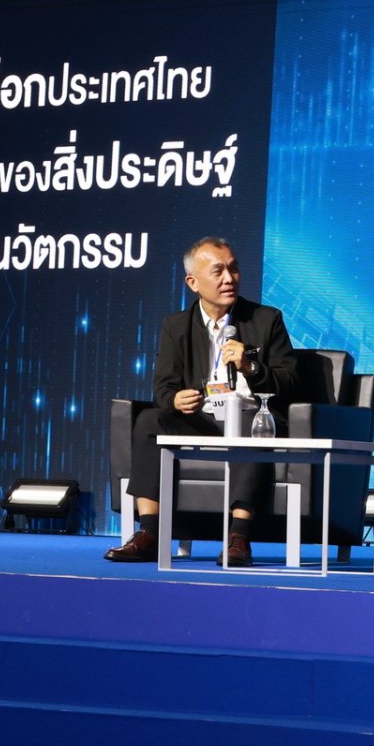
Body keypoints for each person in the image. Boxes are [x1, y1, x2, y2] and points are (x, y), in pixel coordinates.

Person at [106, 237, 301, 567]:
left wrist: (251, 367)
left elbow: (292, 382)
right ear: (193, 282)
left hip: (251, 414)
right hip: (203, 419)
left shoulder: (266, 319)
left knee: (251, 426)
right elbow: (163, 388)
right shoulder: (176, 326)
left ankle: (238, 536)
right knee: (150, 419)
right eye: (218, 271)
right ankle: (150, 532)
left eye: (234, 269)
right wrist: (175, 400)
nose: (229, 278)